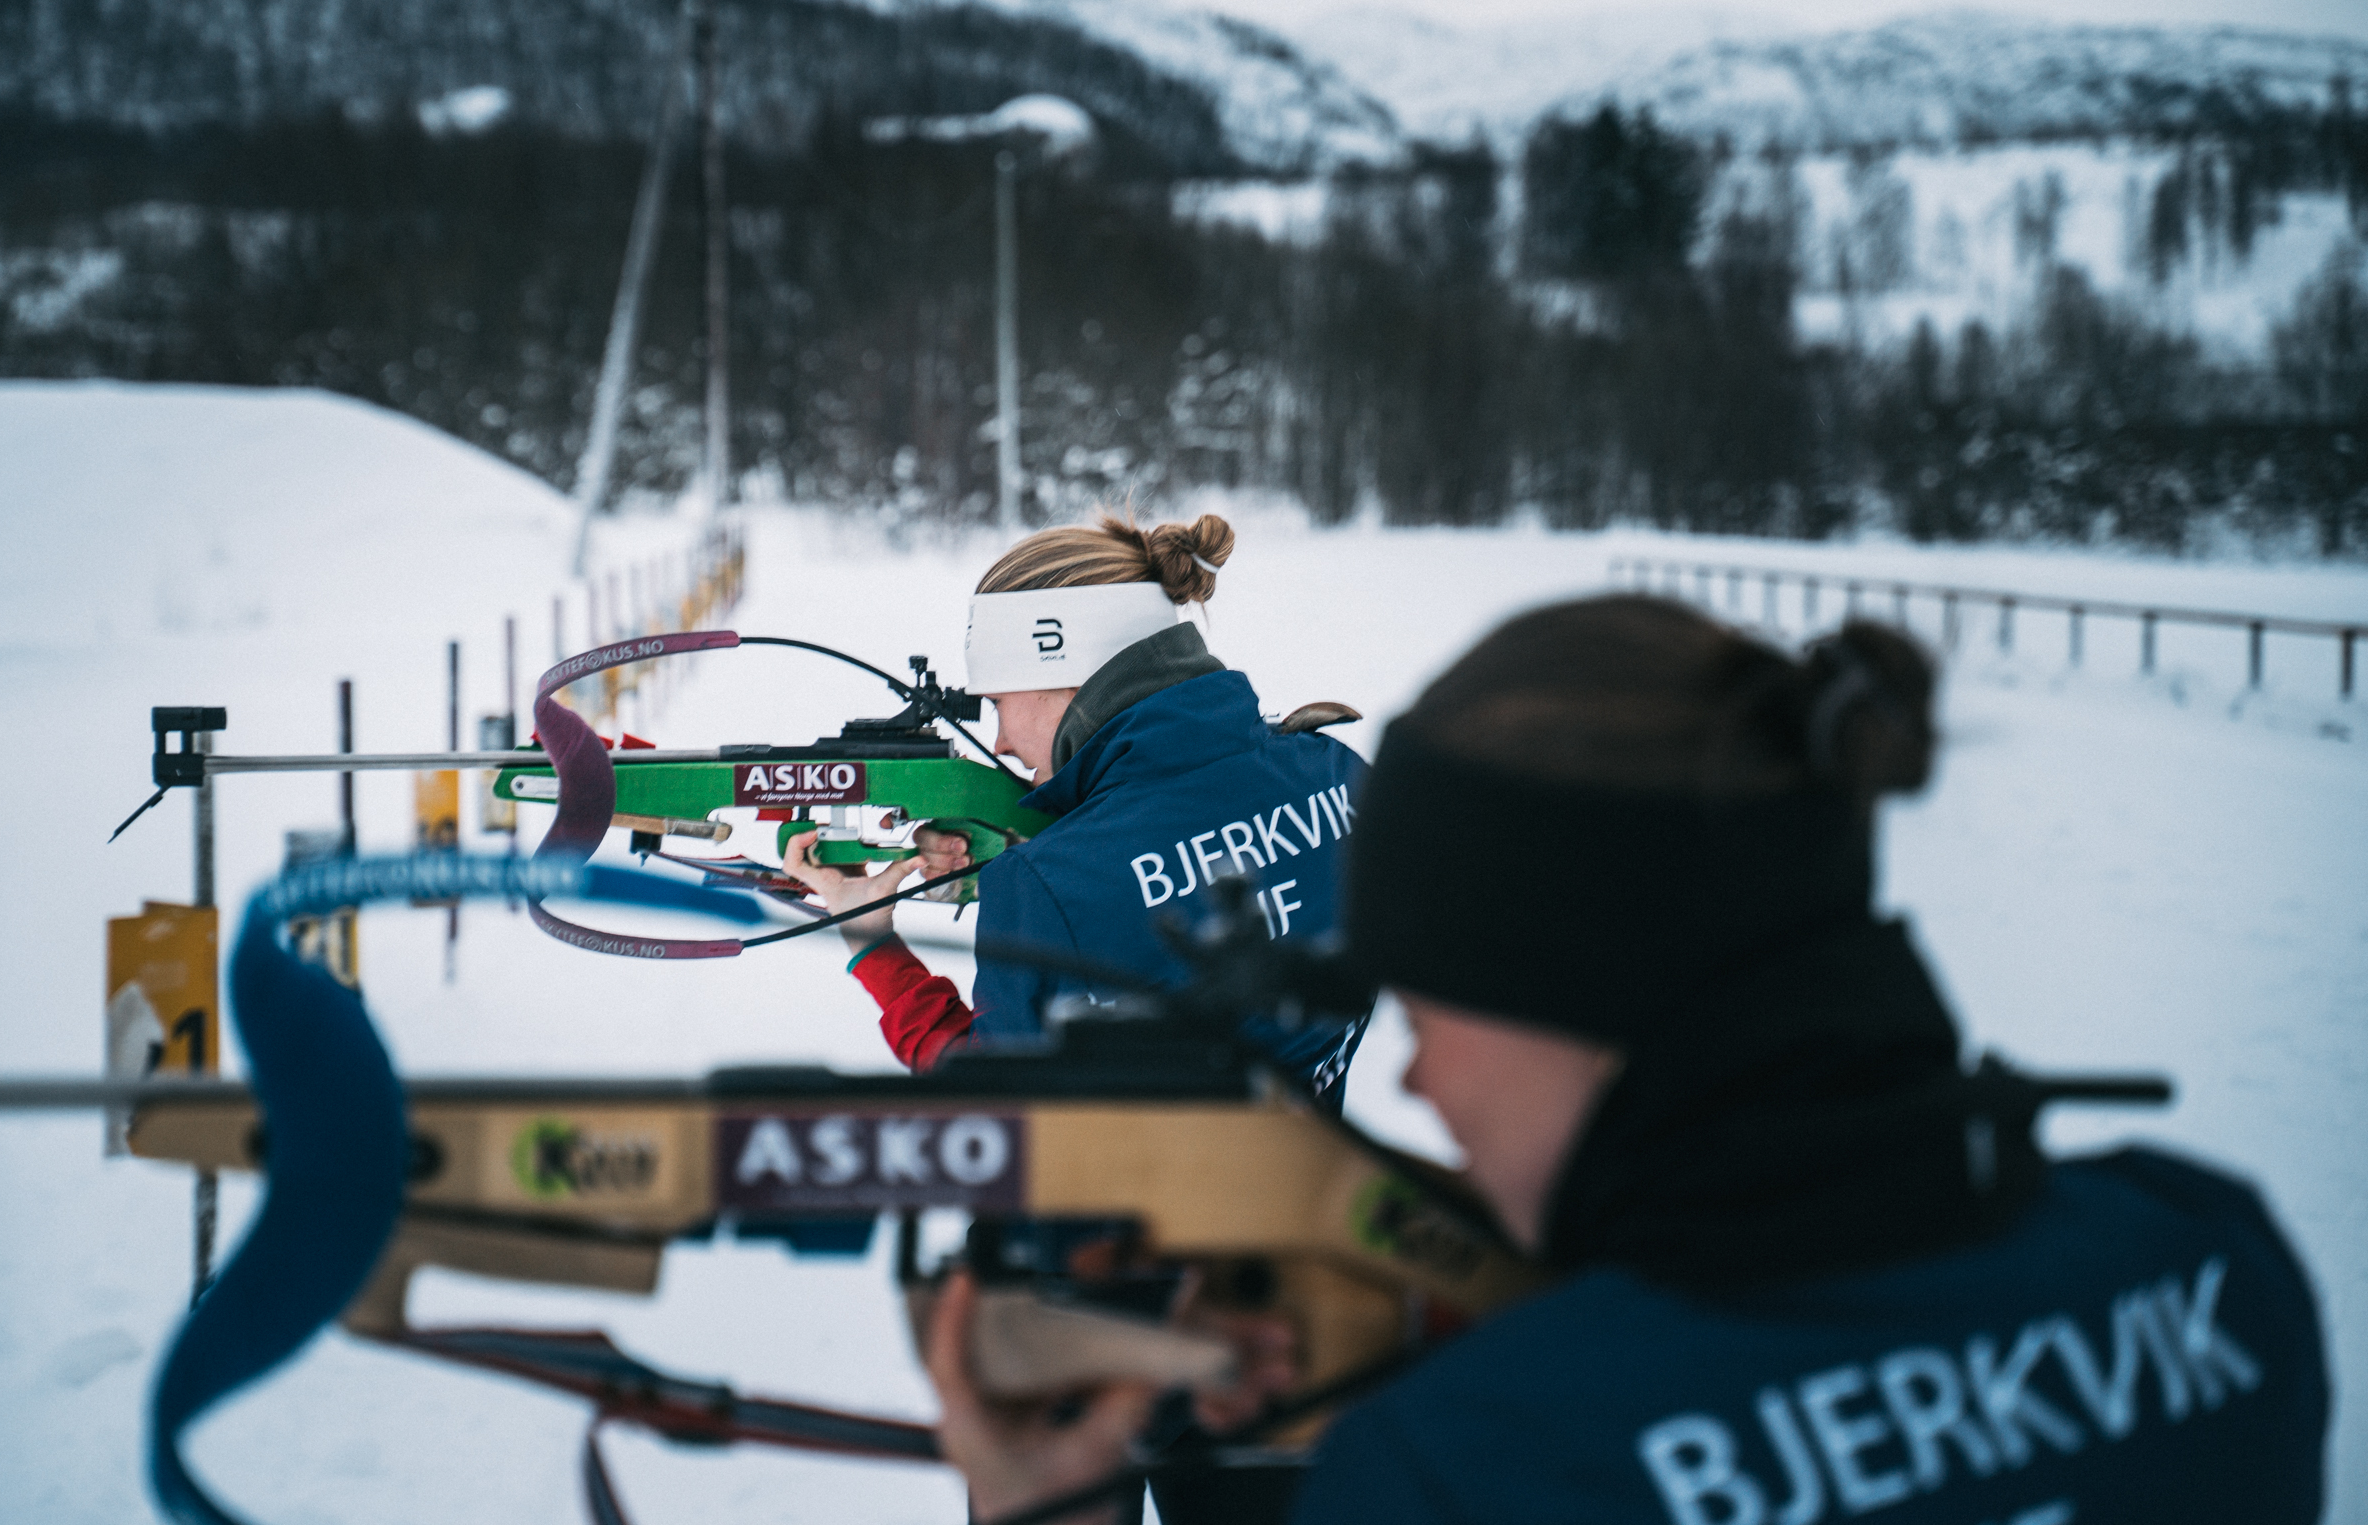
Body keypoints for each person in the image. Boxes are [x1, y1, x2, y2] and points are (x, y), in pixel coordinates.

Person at [923, 594, 2330, 1525]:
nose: (1415, 1081)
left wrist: (1053, 1504)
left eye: (1430, 1009)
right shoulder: (2214, 1259)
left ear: (1570, 990)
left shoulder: (1466, 1464)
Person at [782, 512, 1369, 1100]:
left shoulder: (1043, 888)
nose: (1000, 742)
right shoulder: (1338, 772)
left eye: (997, 702)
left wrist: (873, 943)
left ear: (1061, 673)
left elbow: (989, 1107)